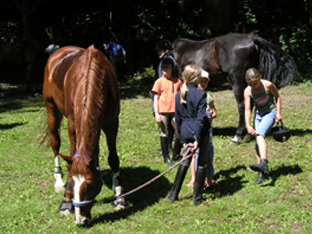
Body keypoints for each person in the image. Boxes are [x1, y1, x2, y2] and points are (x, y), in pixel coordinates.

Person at [167, 65, 210, 205]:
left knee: (185, 161)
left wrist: (183, 138)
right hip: (200, 132)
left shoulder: (178, 94)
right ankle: (196, 198)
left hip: (185, 130)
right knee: (202, 163)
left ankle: (172, 195)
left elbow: (177, 119)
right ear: (196, 78)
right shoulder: (201, 95)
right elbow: (200, 119)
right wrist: (197, 138)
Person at [244, 68, 282, 184]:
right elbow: (247, 109)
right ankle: (261, 173)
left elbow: (278, 97)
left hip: (270, 112)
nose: (253, 86)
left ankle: (263, 163)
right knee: (257, 144)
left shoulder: (268, 85)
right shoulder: (247, 91)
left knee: (260, 135)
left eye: (255, 83)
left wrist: (279, 112)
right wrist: (247, 125)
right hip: (259, 115)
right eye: (250, 84)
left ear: (259, 79)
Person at [187, 70, 217, 193]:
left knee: (207, 153)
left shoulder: (208, 97)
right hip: (194, 129)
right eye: (201, 81)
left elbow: (214, 112)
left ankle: (207, 181)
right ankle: (194, 179)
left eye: (205, 82)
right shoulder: (191, 96)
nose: (203, 84)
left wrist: (209, 115)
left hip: (206, 130)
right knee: (194, 154)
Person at [152, 57, 183, 166]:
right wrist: (156, 113)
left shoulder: (178, 81)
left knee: (180, 132)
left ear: (172, 68)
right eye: (163, 67)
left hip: (175, 111)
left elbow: (182, 97)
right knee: (164, 133)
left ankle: (175, 155)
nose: (165, 69)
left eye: (167, 67)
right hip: (163, 111)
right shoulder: (159, 82)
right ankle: (166, 157)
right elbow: (156, 98)